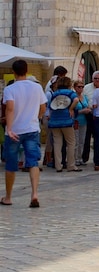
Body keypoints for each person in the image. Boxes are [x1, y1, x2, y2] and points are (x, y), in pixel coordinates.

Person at [2, 60, 47, 207]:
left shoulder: (10, 89)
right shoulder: (37, 87)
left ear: (14, 72)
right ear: (27, 71)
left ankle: (8, 197)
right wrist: (37, 117)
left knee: (11, 164)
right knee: (33, 161)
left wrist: (9, 128)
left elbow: (9, 108)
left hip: (15, 131)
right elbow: (43, 107)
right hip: (32, 129)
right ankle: (34, 194)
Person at [47, 76, 80, 172]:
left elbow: (50, 106)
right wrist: (70, 109)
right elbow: (76, 100)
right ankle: (71, 165)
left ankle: (58, 165)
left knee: (57, 143)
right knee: (71, 143)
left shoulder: (54, 94)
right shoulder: (70, 93)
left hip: (54, 121)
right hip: (67, 120)